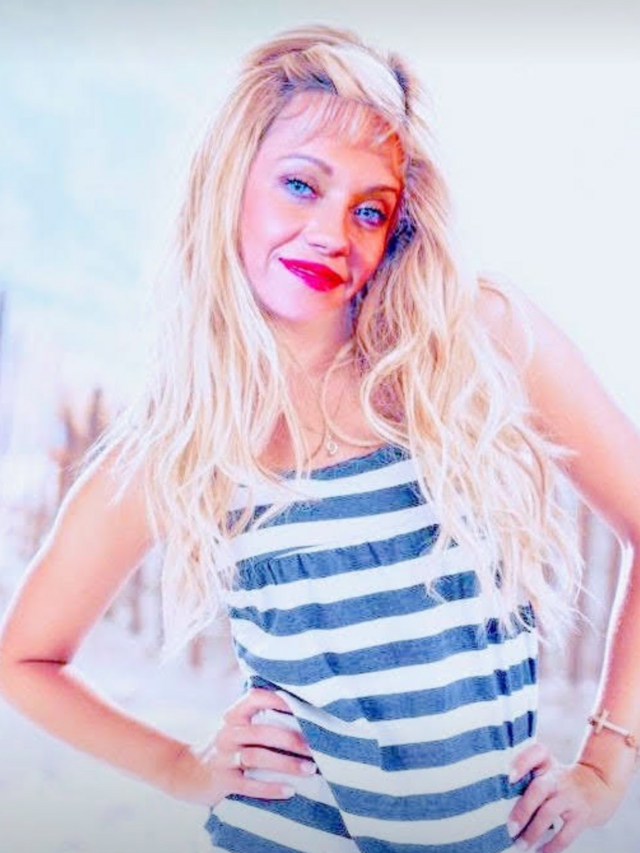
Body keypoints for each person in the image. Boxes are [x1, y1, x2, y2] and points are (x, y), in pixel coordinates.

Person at [1, 23, 639, 853]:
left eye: (369, 209)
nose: (333, 234)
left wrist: (606, 760)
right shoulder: (183, 437)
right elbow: (25, 659)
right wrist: (182, 768)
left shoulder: (476, 340)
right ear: (231, 180)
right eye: (301, 185)